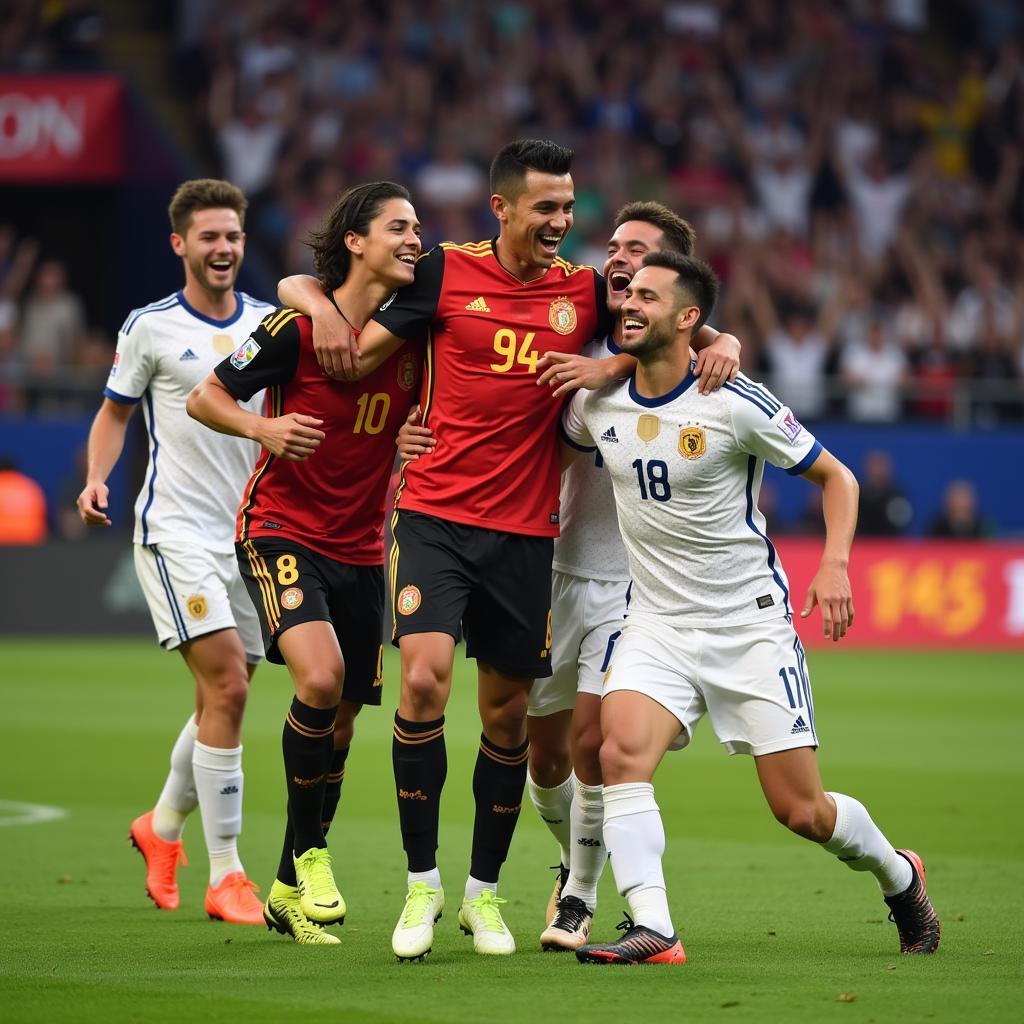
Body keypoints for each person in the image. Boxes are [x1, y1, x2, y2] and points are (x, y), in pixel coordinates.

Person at [279, 141, 740, 960]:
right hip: (432, 518)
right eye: (548, 209)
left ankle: (482, 896)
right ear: (503, 209)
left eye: (570, 209)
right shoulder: (444, 273)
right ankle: (421, 885)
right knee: (421, 679)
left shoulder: (585, 292)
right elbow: (349, 323)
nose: (564, 223)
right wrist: (307, 300)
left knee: (505, 716)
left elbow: (669, 319)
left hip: (529, 533)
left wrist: (725, 339)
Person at [562, 250, 939, 965]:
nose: (629, 302)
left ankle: (899, 874)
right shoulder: (597, 401)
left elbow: (838, 477)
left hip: (749, 626)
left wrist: (833, 564)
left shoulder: (735, 400)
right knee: (620, 754)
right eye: (626, 293)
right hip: (656, 625)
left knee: (803, 811)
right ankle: (655, 927)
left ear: (689, 318)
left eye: (648, 294)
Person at [396, 200, 741, 953]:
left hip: (626, 586)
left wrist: (728, 340)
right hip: (541, 562)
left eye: (639, 253)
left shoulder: (688, 370)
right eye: (614, 247)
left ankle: (582, 897)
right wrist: (408, 428)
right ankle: (569, 858)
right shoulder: (572, 327)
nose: (618, 260)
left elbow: (709, 340)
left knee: (591, 743)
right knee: (541, 754)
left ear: (670, 285)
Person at [187, 182, 423, 946]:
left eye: (418, 227)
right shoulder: (294, 327)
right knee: (318, 680)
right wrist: (267, 427)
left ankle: (289, 885)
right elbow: (204, 398)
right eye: (399, 226)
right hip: (281, 528)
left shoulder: (414, 334)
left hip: (363, 546)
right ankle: (312, 854)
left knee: (344, 721)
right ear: (355, 241)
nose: (415, 238)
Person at [76, 178, 272, 926]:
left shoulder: (267, 323)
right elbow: (113, 414)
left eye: (232, 237)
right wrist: (96, 480)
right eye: (208, 237)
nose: (222, 249)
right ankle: (227, 875)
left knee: (220, 699)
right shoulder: (150, 327)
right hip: (176, 531)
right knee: (228, 689)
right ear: (179, 244)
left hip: (248, 538)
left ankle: (160, 828)